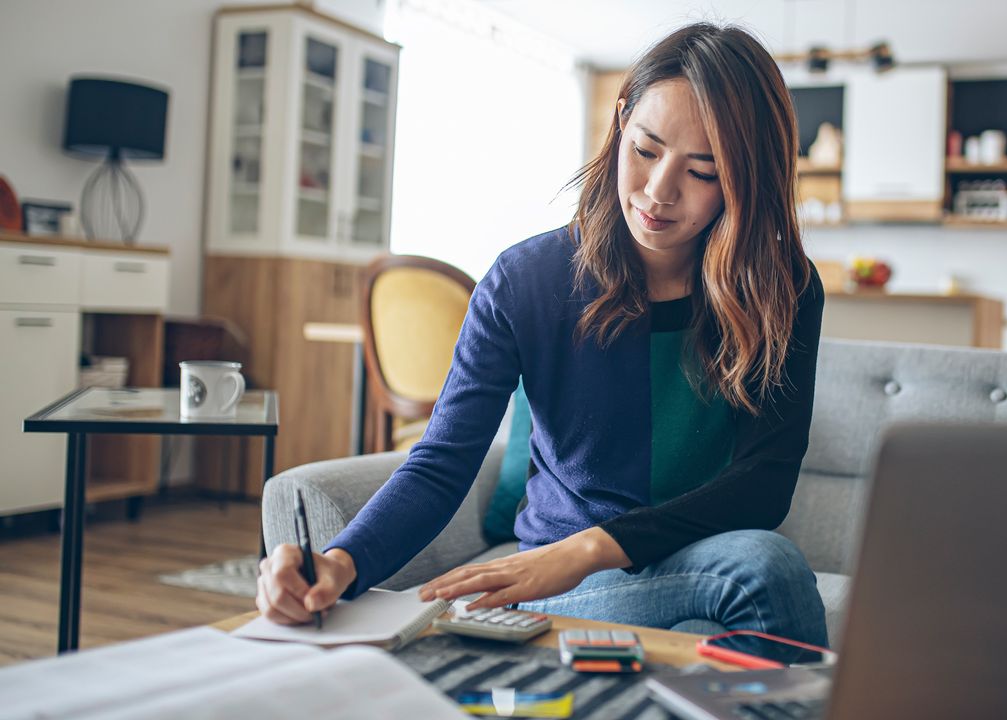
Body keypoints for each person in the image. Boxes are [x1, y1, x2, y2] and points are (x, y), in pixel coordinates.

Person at [257, 21, 828, 646]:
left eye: (704, 171)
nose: (659, 192)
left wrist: (586, 548)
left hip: (687, 558)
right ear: (619, 123)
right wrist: (339, 564)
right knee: (761, 576)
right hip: (568, 582)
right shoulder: (526, 280)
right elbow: (442, 464)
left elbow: (764, 483)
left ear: (747, 179)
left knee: (752, 572)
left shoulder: (781, 287)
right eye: (645, 150)